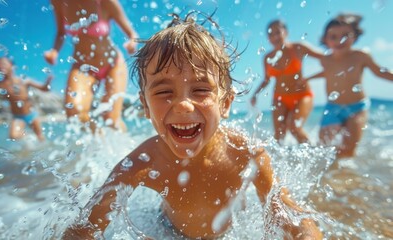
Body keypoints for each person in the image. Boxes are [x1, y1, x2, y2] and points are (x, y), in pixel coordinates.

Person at [62, 13, 323, 239]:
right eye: (164, 92)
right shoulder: (141, 163)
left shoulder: (247, 154)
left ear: (226, 102)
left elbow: (292, 216)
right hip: (168, 229)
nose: (184, 106)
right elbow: (84, 229)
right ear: (145, 106)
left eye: (200, 90)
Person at [303, 13, 393, 159]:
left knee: (349, 149)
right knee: (323, 148)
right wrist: (308, 78)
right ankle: (332, 174)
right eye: (333, 37)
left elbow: (379, 72)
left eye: (346, 35)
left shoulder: (361, 56)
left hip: (357, 108)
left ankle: (347, 175)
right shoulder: (326, 60)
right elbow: (327, 73)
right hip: (332, 108)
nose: (340, 40)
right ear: (325, 40)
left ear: (355, 36)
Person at [44, 0, 138, 132]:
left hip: (113, 64)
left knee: (111, 119)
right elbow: (61, 33)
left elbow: (132, 34)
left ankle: (128, 149)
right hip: (83, 67)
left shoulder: (106, 2)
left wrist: (131, 43)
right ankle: (101, 145)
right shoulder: (58, 2)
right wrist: (54, 51)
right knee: (74, 112)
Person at [250, 20, 324, 144]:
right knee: (279, 135)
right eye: (271, 34)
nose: (274, 37)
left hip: (302, 95)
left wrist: (312, 77)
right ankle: (281, 162)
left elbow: (326, 58)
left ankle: (315, 155)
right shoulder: (267, 58)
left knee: (294, 127)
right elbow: (267, 80)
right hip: (279, 98)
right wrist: (255, 94)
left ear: (286, 32)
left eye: (278, 32)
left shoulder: (298, 48)